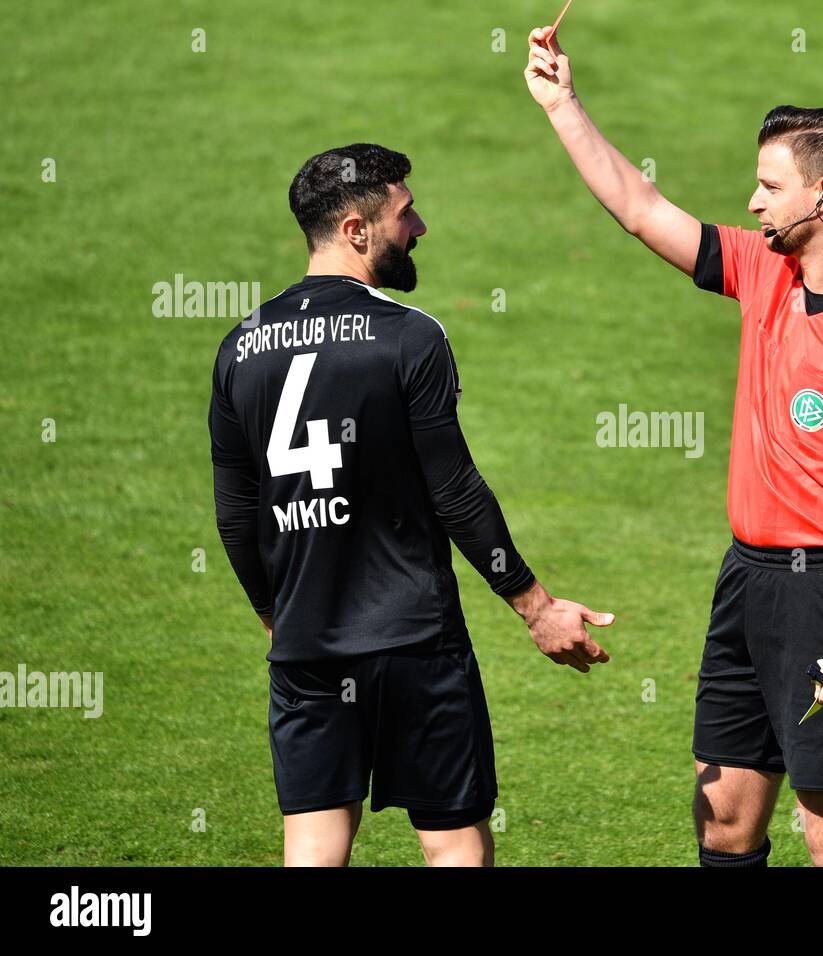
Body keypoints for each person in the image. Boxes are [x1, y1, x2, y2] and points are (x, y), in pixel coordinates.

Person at [525, 29, 823, 867]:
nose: (753, 203)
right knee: (723, 823)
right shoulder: (766, 269)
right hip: (747, 580)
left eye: (769, 185)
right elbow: (642, 211)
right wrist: (561, 105)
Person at [208, 143, 614, 867]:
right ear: (358, 230)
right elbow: (454, 490)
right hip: (414, 641)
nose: (419, 226)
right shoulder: (409, 336)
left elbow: (237, 513)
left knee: (313, 843)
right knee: (451, 840)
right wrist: (537, 608)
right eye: (405, 213)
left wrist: (275, 616)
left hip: (307, 646)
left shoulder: (240, 347)